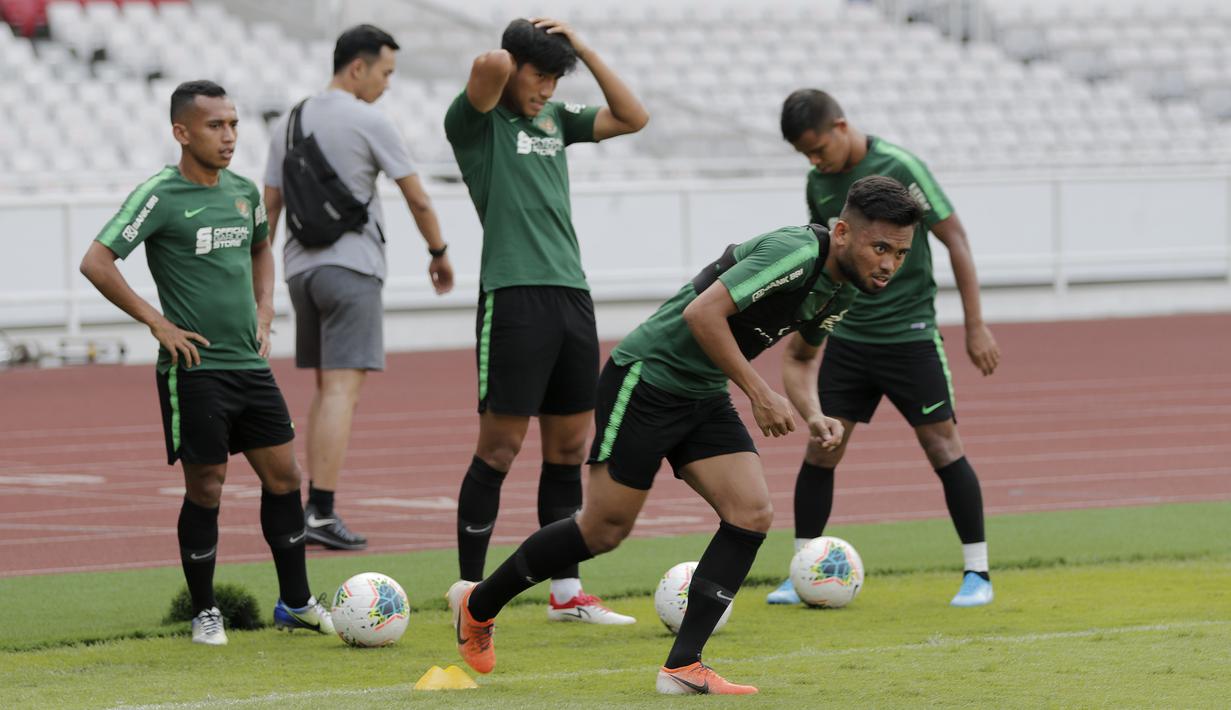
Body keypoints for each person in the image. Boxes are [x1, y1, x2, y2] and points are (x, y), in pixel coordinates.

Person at [447, 176, 923, 694]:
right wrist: (760, 394)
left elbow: (803, 358)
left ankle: (683, 666)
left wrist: (813, 413)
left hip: (703, 392)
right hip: (647, 378)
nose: (888, 265)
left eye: (899, 254)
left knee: (751, 512)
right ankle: (477, 604)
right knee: (602, 531)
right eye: (880, 248)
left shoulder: (845, 285)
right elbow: (703, 314)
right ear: (843, 232)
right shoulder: (797, 251)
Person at [79, 80, 334, 645]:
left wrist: (266, 308)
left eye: (235, 124)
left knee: (285, 477)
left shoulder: (243, 192)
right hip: (194, 369)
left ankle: (295, 603)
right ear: (182, 132)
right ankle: (204, 610)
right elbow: (96, 261)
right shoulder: (160, 194)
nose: (229, 136)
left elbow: (262, 246)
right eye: (216, 125)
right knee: (208, 486)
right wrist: (157, 321)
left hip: (249, 363)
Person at [443, 17, 648, 623]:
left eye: (559, 78)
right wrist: (520, 50)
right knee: (500, 449)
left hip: (571, 296)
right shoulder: (477, 122)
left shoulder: (557, 121)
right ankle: (469, 591)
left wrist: (579, 46)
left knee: (567, 449)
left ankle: (565, 593)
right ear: (515, 66)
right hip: (513, 296)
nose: (550, 89)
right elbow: (488, 68)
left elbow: (634, 117)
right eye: (541, 75)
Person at [768, 89, 1001, 608]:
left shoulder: (898, 165)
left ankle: (977, 573)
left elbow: (955, 239)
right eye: (804, 154)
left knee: (942, 445)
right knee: (822, 445)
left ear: (841, 126)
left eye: (818, 148)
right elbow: (829, 251)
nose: (814, 161)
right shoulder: (817, 181)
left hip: (909, 333)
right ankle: (802, 568)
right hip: (847, 335)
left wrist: (975, 325)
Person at [262, 24, 454, 551]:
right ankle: (320, 510)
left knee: (327, 390)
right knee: (343, 392)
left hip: (301, 271)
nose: (387, 84)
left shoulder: (288, 121)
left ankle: (310, 507)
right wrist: (438, 253)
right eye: (385, 72)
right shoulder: (369, 119)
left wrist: (259, 284)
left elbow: (269, 207)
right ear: (357, 67)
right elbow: (417, 197)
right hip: (352, 268)